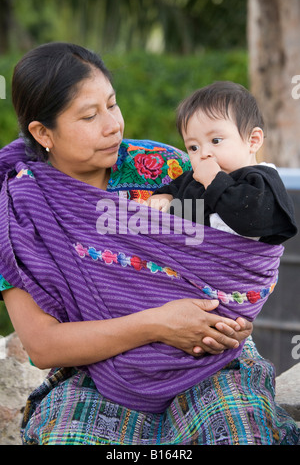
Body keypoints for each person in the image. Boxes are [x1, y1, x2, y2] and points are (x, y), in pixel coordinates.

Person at [0, 43, 299, 446]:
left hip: (209, 358)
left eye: (113, 105)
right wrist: (159, 323)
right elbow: (43, 346)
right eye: (89, 116)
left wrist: (233, 319)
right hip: (99, 371)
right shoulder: (19, 211)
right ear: (42, 132)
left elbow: (227, 263)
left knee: (240, 431)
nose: (113, 126)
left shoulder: (164, 167)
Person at [147, 81, 297, 244]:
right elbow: (172, 190)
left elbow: (251, 220)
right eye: (193, 147)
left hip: (237, 266)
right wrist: (163, 198)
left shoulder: (262, 182)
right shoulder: (193, 179)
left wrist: (214, 181)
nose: (204, 153)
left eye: (216, 140)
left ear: (253, 140)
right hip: (188, 263)